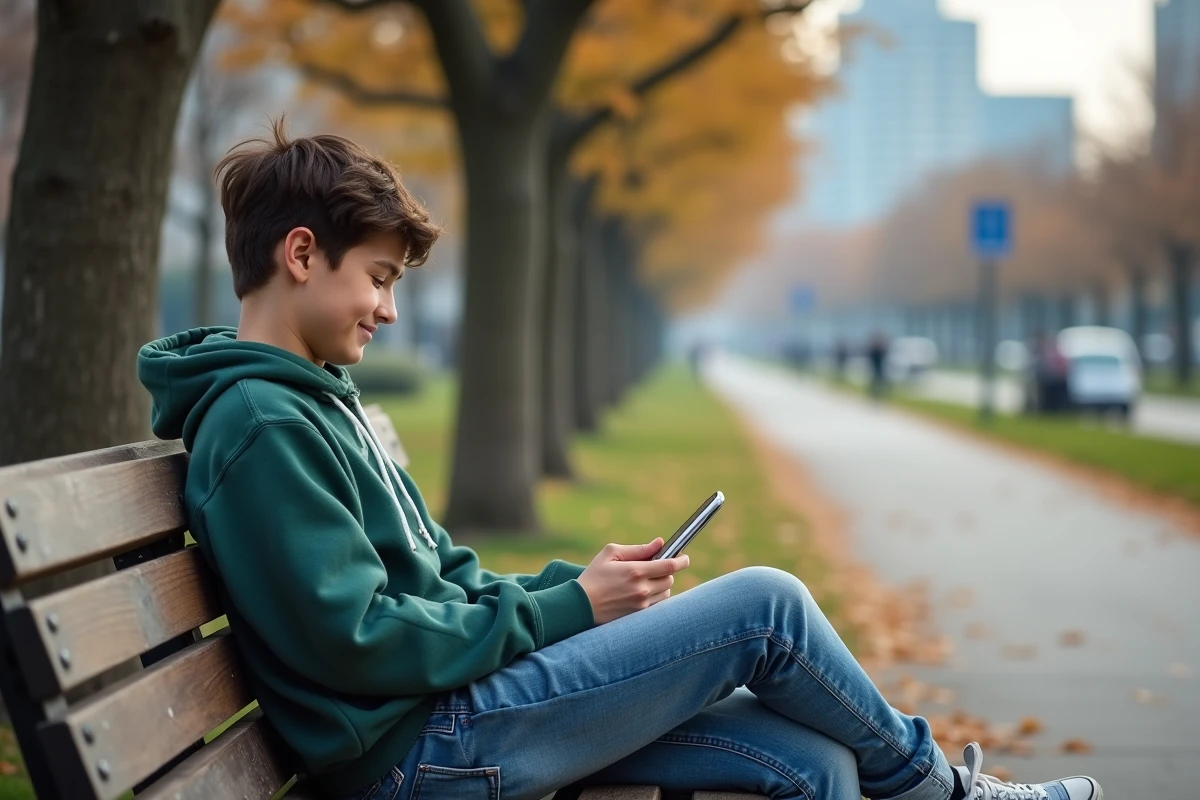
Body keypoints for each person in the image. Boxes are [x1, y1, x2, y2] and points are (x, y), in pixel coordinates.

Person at [137, 123, 1102, 800]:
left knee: (818, 767)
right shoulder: (262, 423)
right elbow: (359, 639)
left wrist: (586, 590)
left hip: (453, 723)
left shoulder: (313, 406)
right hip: (418, 757)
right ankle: (950, 794)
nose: (387, 310)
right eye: (379, 280)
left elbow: (444, 578)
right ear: (302, 255)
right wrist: (570, 614)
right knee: (766, 605)